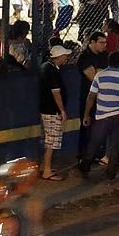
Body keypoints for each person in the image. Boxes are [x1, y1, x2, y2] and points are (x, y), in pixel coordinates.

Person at [79, 53, 119, 181]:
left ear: (108, 62)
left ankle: (85, 168)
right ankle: (111, 175)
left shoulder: (100, 76)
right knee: (115, 147)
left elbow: (91, 96)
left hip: (103, 117)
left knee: (94, 144)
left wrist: (86, 114)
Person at [39, 44, 72, 182]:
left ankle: (44, 167)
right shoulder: (51, 71)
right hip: (52, 111)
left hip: (46, 109)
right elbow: (56, 92)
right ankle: (47, 170)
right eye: (65, 55)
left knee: (48, 140)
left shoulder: (46, 67)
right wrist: (62, 110)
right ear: (58, 57)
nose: (66, 58)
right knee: (52, 141)